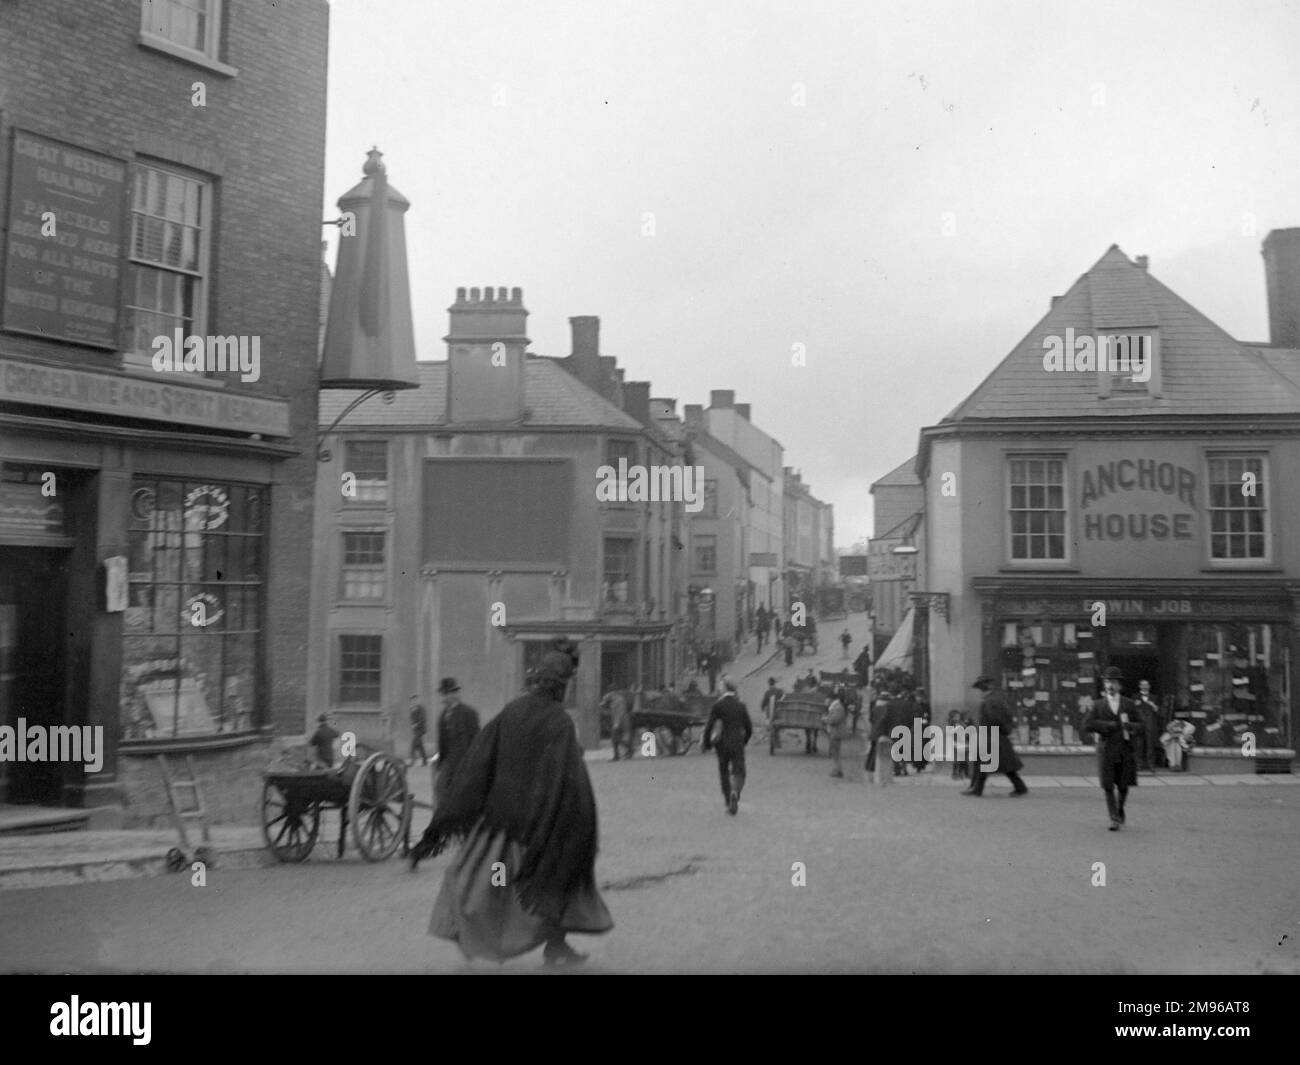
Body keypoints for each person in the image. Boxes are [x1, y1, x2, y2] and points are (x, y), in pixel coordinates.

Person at [414, 638, 612, 968]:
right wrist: (578, 823)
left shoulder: (512, 710)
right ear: (561, 685)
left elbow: (479, 760)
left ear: (536, 680)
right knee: (551, 882)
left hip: (497, 829)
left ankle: (484, 941)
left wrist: (459, 806)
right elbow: (568, 778)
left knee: (489, 881)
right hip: (536, 830)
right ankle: (545, 946)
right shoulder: (559, 722)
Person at [1084, 666, 1139, 830]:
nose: (1110, 685)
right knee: (1108, 786)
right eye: (1107, 682)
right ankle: (1114, 818)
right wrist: (1106, 725)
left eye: (1113, 682)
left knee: (1123, 785)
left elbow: (1142, 725)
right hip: (1106, 750)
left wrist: (1130, 726)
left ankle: (1120, 808)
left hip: (1125, 750)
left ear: (1120, 686)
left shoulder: (1129, 704)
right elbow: (1087, 724)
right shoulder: (1098, 705)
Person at [964, 675, 1028, 797]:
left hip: (992, 737)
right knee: (1003, 766)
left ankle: (977, 790)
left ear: (984, 689)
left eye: (981, 689)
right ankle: (1020, 787)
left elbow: (996, 719)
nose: (980, 692)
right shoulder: (994, 699)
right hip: (994, 737)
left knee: (987, 764)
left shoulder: (991, 701)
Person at [703, 679, 753, 815]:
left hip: (722, 744)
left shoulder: (718, 705)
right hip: (737, 743)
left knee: (724, 771)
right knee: (739, 771)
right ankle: (735, 792)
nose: (719, 688)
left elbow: (709, 726)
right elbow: (749, 727)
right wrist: (745, 740)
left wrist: (707, 743)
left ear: (725, 689)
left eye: (721, 686)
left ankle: (728, 799)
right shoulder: (741, 706)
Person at [428, 678, 481, 808]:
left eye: (446, 694)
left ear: (453, 694)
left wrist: (474, 762)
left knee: (463, 796)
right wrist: (439, 761)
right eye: (443, 694)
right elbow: (442, 743)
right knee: (440, 789)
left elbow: (477, 739)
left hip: (465, 762)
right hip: (448, 762)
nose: (443, 697)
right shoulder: (443, 716)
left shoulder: (469, 713)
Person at [1135, 680, 1162, 770]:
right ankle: (1138, 764)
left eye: (1146, 684)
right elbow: (1131, 711)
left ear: (1149, 686)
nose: (1144, 686)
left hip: (1150, 724)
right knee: (1139, 745)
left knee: (1150, 745)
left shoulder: (1155, 697)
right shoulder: (1135, 697)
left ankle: (1151, 765)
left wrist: (1154, 705)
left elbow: (1159, 712)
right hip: (1139, 724)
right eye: (1143, 685)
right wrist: (1135, 705)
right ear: (1139, 686)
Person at [824, 687, 850, 778]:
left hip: (836, 733)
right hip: (835, 732)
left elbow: (834, 720)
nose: (826, 701)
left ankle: (838, 770)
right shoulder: (837, 706)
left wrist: (825, 719)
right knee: (835, 753)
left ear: (831, 699)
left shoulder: (837, 707)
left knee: (836, 753)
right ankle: (837, 770)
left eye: (827, 699)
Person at [602, 688, 633, 761]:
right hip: (621, 722)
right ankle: (628, 751)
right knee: (618, 739)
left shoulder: (618, 700)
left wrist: (616, 723)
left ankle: (625, 752)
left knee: (616, 738)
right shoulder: (615, 699)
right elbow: (605, 705)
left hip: (621, 722)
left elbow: (620, 712)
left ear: (611, 692)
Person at [911, 687, 932, 773]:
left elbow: (929, 716)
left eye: (919, 696)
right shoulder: (914, 705)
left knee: (923, 746)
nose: (918, 698)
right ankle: (917, 764)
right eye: (917, 696)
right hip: (916, 727)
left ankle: (922, 764)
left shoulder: (925, 705)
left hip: (923, 728)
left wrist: (924, 720)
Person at [761, 677, 785, 749]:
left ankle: (773, 741)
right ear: (775, 683)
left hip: (770, 713)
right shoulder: (779, 691)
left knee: (771, 726)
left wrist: (762, 709)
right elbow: (783, 700)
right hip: (778, 712)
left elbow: (764, 703)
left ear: (769, 684)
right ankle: (777, 742)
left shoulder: (767, 692)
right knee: (777, 727)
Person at [409, 695, 429, 767]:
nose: (413, 702)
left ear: (417, 700)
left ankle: (412, 760)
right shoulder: (412, 709)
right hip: (415, 730)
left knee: (413, 744)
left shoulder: (421, 708)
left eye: (415, 700)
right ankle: (425, 761)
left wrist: (416, 725)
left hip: (421, 729)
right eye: (412, 701)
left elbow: (423, 719)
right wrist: (412, 724)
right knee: (420, 746)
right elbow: (411, 719)